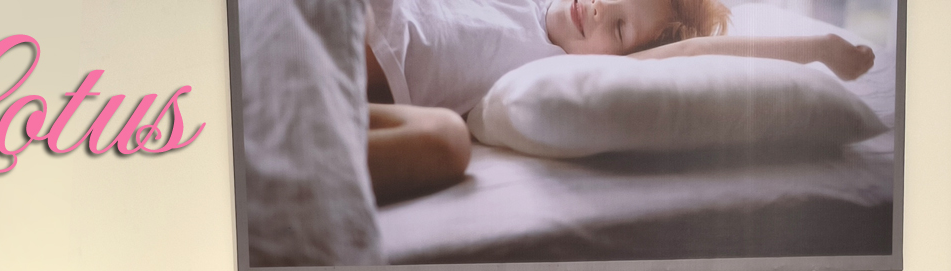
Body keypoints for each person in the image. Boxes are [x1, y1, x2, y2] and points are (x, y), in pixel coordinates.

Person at [362, 0, 875, 204]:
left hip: (349, 56)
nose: (599, 8)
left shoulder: (554, 64)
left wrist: (818, 48)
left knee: (448, 141)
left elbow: (695, 51)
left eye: (620, 26)